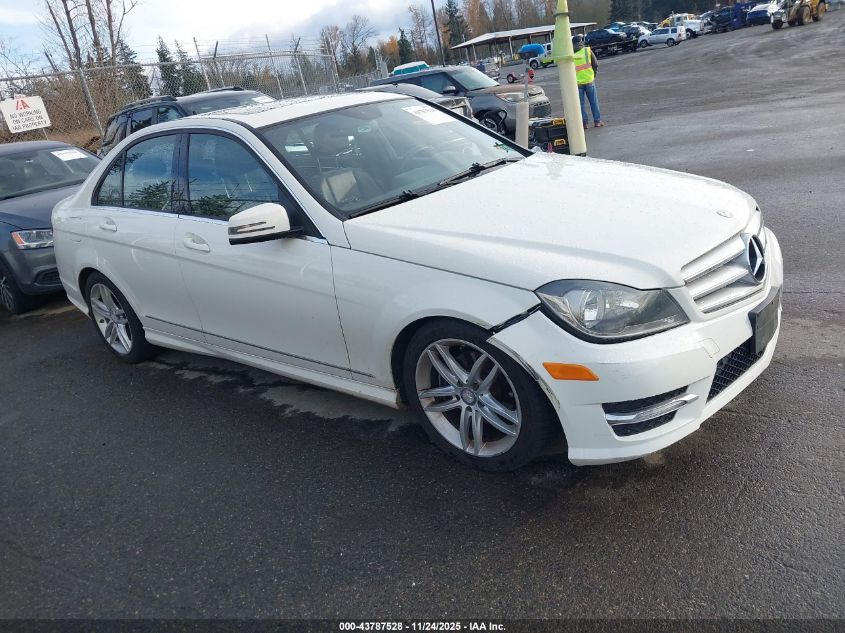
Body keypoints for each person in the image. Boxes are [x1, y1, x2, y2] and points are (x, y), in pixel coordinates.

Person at [572, 35, 604, 129]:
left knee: (580, 104)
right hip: (589, 80)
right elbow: (596, 64)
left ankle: (584, 123)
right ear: (581, 42)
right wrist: (593, 75)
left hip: (577, 83)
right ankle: (597, 121)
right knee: (594, 102)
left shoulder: (571, 54)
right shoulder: (587, 51)